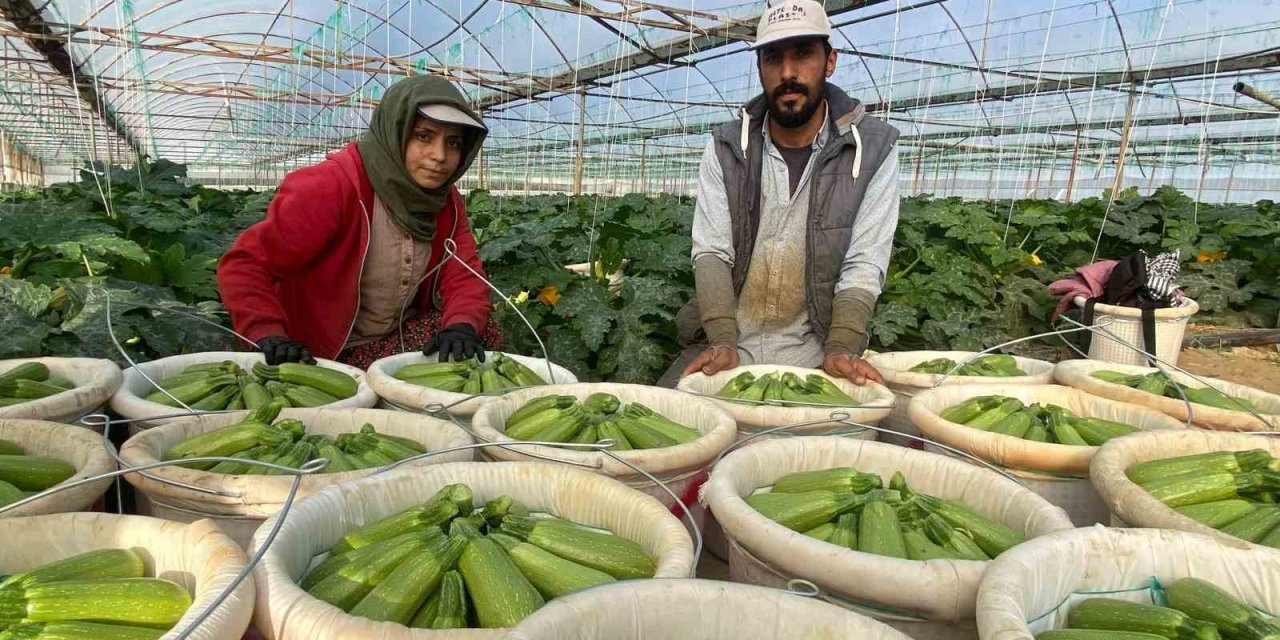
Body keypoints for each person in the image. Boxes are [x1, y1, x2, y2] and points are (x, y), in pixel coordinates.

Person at [664, 0, 900, 387]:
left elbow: (864, 262)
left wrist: (842, 344)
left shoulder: (874, 150)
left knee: (838, 441)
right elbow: (711, 250)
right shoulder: (726, 147)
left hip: (819, 352)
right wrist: (722, 338)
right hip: (727, 349)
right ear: (759, 68)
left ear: (829, 61)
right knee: (670, 419)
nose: (787, 73)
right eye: (773, 58)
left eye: (804, 54)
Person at [217, 75, 503, 369]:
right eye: (423, 136)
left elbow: (464, 275)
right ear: (395, 131)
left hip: (393, 338)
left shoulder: (446, 201)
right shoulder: (332, 186)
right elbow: (246, 265)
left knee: (482, 332)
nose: (440, 156)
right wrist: (267, 332)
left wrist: (462, 325)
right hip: (318, 353)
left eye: (453, 142)